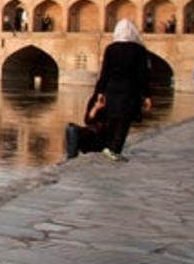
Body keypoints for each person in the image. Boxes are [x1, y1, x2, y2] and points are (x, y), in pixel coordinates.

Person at [92, 20, 153, 162]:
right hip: (129, 88)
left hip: (112, 88)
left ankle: (108, 146)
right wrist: (147, 95)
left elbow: (105, 72)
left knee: (113, 117)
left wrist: (100, 92)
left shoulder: (111, 48)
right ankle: (115, 149)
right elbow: (143, 74)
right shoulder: (139, 50)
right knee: (124, 119)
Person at [64, 92, 107, 159]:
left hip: (101, 139)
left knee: (74, 131)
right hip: (91, 135)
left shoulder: (113, 103)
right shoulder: (94, 100)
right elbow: (87, 121)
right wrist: (96, 108)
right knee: (70, 128)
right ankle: (71, 157)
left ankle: (71, 158)